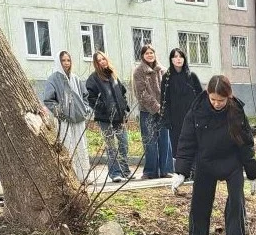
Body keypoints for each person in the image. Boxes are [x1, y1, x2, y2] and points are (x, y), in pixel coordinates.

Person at [169, 75, 256, 235]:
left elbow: (246, 143)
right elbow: (186, 141)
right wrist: (181, 171)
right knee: (199, 205)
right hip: (206, 162)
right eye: (213, 99)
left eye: (221, 100)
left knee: (236, 205)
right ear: (207, 94)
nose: (217, 104)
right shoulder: (197, 109)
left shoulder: (236, 110)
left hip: (232, 163)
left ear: (229, 96)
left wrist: (252, 174)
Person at [41, 51, 91, 181]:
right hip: (64, 121)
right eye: (63, 60)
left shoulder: (75, 78)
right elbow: (49, 100)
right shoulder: (53, 79)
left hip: (79, 119)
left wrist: (85, 110)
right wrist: (61, 113)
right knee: (68, 147)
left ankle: (84, 176)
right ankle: (71, 178)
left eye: (68, 60)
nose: (66, 63)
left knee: (81, 147)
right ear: (59, 62)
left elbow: (85, 97)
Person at [85, 51, 132, 183]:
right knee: (111, 146)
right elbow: (91, 98)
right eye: (99, 60)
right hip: (104, 118)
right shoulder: (93, 79)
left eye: (103, 59)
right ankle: (115, 173)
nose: (102, 62)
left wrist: (124, 107)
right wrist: (104, 108)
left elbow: (122, 93)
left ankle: (125, 171)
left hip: (119, 117)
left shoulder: (113, 75)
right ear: (96, 63)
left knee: (123, 143)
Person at [161, 47, 204, 185]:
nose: (178, 59)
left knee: (194, 144)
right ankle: (183, 172)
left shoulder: (192, 76)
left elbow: (201, 97)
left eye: (180, 56)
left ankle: (195, 171)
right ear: (171, 59)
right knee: (180, 146)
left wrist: (201, 114)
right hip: (176, 119)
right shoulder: (167, 78)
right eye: (175, 56)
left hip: (192, 118)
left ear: (184, 59)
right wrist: (166, 118)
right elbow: (164, 100)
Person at [131, 44, 171, 179]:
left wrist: (165, 107)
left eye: (151, 52)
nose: (149, 55)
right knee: (149, 141)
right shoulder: (138, 72)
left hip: (164, 111)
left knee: (164, 140)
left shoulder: (163, 70)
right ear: (142, 56)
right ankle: (150, 172)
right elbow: (141, 93)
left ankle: (165, 170)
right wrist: (157, 107)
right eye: (146, 53)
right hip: (147, 111)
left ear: (155, 54)